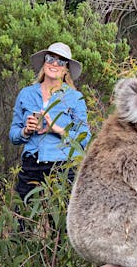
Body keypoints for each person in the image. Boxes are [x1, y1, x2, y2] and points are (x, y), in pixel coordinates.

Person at [9, 42, 90, 199]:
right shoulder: (26, 94)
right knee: (23, 219)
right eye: (50, 58)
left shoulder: (74, 97)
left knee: (57, 222)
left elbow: (84, 138)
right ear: (44, 62)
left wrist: (56, 129)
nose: (54, 63)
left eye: (61, 61)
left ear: (66, 69)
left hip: (62, 167)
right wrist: (25, 131)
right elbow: (13, 135)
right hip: (31, 166)